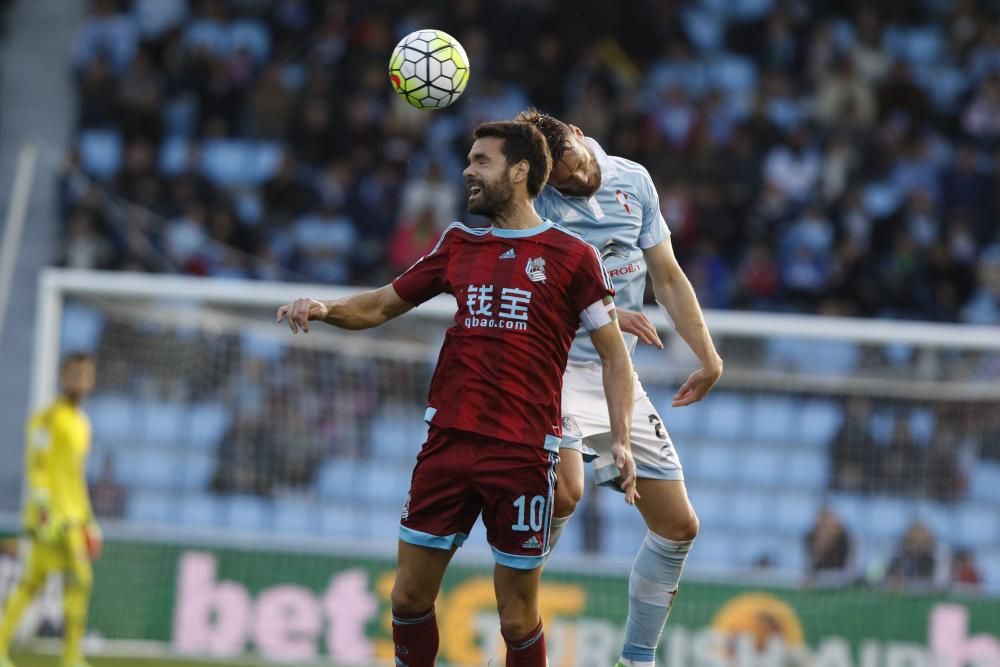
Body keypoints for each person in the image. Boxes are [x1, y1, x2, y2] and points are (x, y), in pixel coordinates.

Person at [277, 121, 636, 667]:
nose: (467, 170)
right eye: (469, 160)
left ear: (519, 171)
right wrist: (325, 309)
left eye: (481, 161)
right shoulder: (458, 244)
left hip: (521, 453)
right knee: (407, 596)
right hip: (447, 443)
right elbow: (379, 305)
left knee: (517, 618)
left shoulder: (572, 257)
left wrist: (624, 442)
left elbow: (613, 353)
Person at [515, 108, 723, 667]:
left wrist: (707, 357)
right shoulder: (535, 204)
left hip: (614, 378)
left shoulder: (635, 180)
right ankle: (518, 650)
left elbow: (669, 277)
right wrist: (598, 310)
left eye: (575, 166)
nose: (576, 180)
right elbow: (525, 293)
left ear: (581, 136)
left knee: (678, 526)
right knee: (563, 492)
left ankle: (636, 660)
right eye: (560, 178)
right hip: (551, 369)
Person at [0, 353, 102, 667]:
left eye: (86, 375)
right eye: (74, 374)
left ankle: (70, 656)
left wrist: (89, 520)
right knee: (59, 581)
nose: (80, 381)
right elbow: (38, 467)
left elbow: (76, 477)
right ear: (62, 377)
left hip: (73, 519)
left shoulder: (83, 424)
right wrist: (44, 509)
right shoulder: (46, 418)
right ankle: (69, 656)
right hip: (50, 519)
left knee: (44, 582)